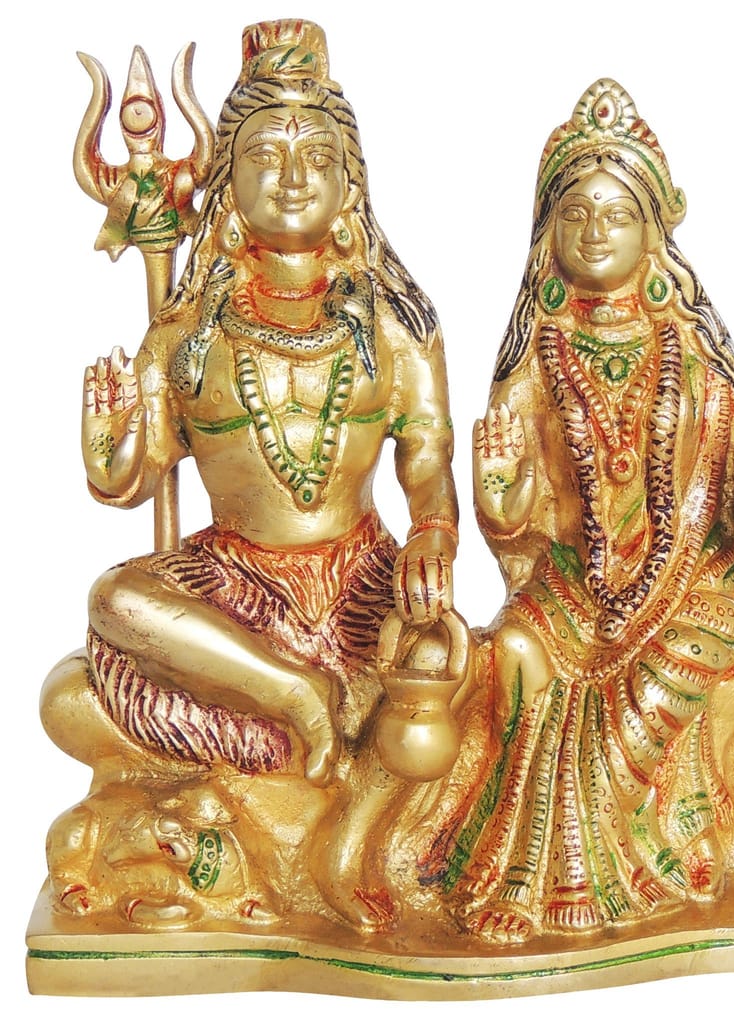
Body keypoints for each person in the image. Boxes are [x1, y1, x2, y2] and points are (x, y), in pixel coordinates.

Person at [41, 19, 458, 927]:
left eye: (317, 156)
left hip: (357, 581)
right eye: (265, 155)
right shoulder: (186, 333)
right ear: (226, 184)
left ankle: (288, 776)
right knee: (98, 634)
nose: (293, 177)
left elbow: (427, 454)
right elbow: (134, 478)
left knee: (438, 660)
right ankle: (296, 702)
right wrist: (106, 440)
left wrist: (433, 531)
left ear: (351, 184)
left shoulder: (395, 322)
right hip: (229, 587)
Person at [442, 79, 734, 942]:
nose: (594, 232)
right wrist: (501, 498)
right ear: (546, 234)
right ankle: (521, 864)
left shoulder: (695, 361)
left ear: (654, 234)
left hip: (687, 584)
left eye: (616, 215)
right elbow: (516, 526)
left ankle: (618, 863)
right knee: (511, 653)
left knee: (691, 656)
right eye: (575, 214)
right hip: (571, 589)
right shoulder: (534, 363)